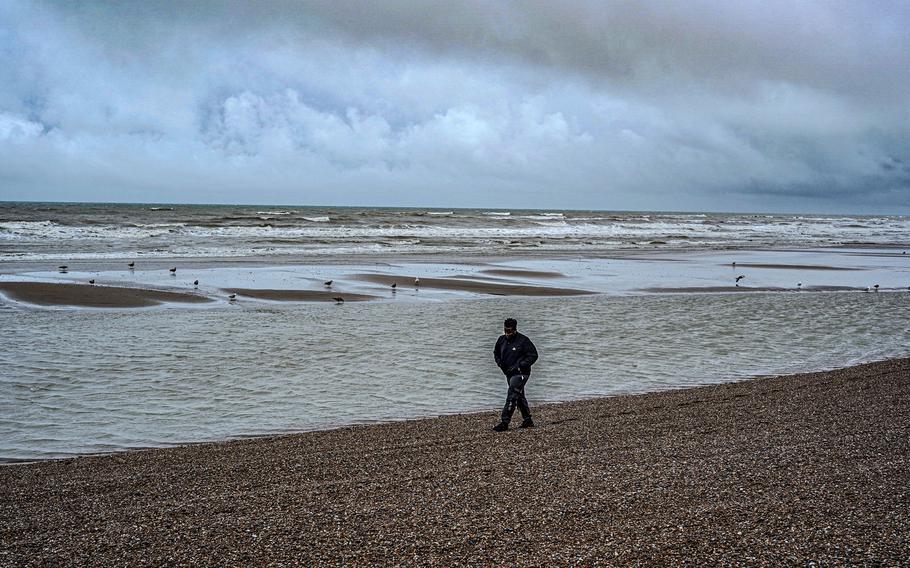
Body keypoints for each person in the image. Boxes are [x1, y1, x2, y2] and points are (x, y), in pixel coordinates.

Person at [492, 318, 538, 431]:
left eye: (510, 331)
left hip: (521, 373)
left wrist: (520, 365)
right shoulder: (501, 340)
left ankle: (504, 422)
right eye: (505, 330)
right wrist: (499, 363)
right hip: (508, 373)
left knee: (512, 395)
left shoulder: (523, 340)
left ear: (515, 329)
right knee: (519, 396)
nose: (507, 334)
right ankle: (528, 420)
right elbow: (496, 352)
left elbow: (533, 355)